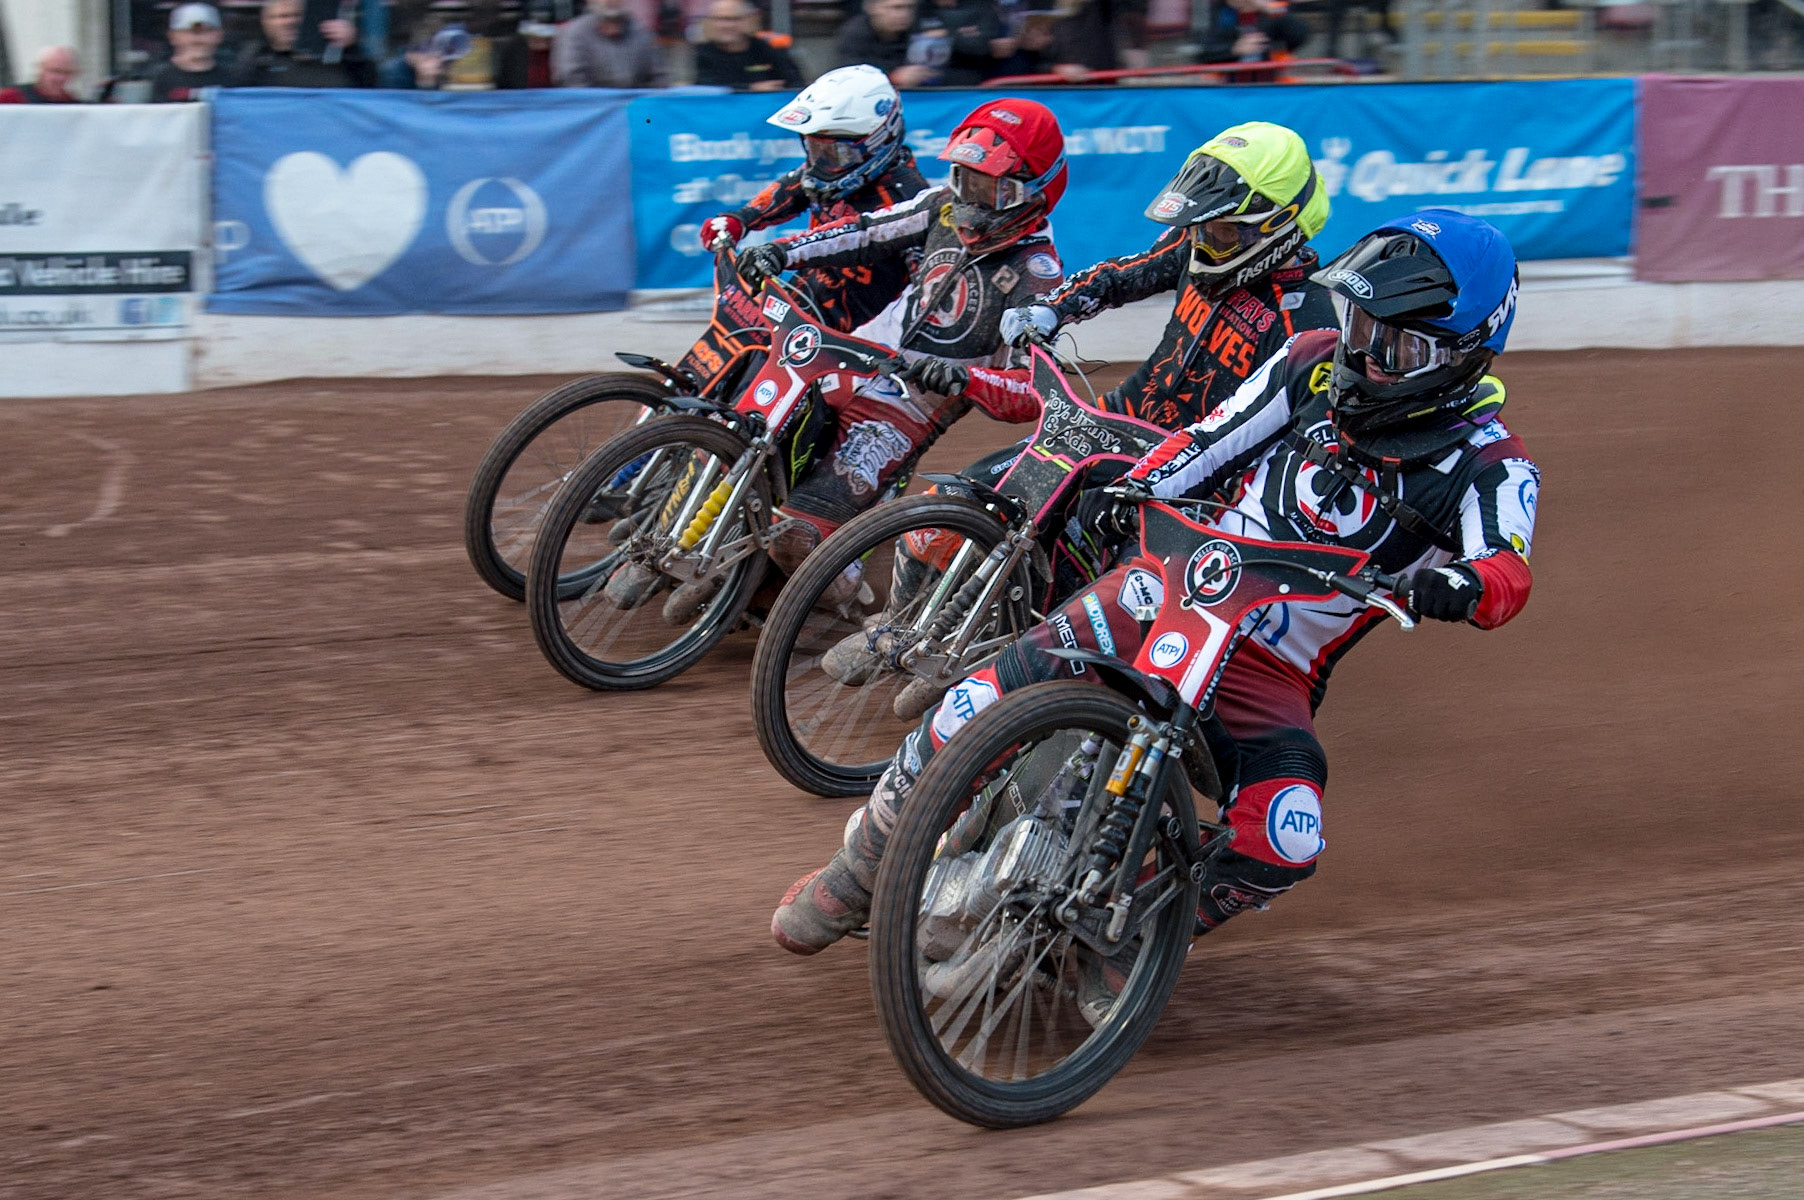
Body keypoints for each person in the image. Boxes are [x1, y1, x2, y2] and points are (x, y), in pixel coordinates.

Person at [773, 209, 1540, 965]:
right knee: (972, 701)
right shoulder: (1311, 357)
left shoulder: (1491, 464)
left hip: (1271, 672)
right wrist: (1135, 486)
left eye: (1394, 346)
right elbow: (1209, 442)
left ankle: (1136, 941)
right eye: (1360, 327)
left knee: (1286, 838)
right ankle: (862, 865)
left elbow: (1508, 570)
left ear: (1466, 353)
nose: (1364, 357)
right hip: (1168, 583)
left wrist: (1455, 586)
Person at [723, 98, 1072, 578]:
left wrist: (961, 379)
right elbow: (865, 231)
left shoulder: (1038, 278)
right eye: (965, 181)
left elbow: (1031, 391)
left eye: (990, 188)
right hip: (855, 352)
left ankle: (838, 596)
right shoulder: (940, 207)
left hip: (909, 404)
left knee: (797, 540)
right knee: (741, 416)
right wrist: (782, 252)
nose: (970, 200)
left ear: (1033, 192)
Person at [994, 122, 1339, 433]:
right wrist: (1052, 308)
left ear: (1277, 224)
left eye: (1221, 233)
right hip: (1117, 417)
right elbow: (1123, 276)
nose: (1201, 242)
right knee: (980, 489)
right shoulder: (1194, 242)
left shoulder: (1308, 323)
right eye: (1199, 228)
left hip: (1186, 475)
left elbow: (1290, 434)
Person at [696, 65, 927, 336]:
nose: (821, 162)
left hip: (852, 345)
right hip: (800, 310)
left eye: (835, 152)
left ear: (875, 141)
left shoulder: (906, 199)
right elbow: (795, 186)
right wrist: (741, 219)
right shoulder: (827, 174)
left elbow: (928, 289)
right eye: (815, 148)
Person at [229, 0, 377, 87]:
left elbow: (370, 88)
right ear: (265, 21)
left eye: (296, 15)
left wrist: (352, 47)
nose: (290, 22)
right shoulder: (256, 61)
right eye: (281, 16)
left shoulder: (336, 56)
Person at [692, 0, 804, 91]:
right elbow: (703, 89)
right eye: (718, 19)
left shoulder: (768, 50)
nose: (725, 26)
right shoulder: (701, 54)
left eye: (733, 19)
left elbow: (796, 85)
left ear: (748, 20)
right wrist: (750, 89)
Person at [552, 0, 669, 87]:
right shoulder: (574, 34)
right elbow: (572, 84)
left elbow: (659, 80)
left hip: (636, 113)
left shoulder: (642, 32)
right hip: (593, 114)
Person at [1197, 0, 1310, 79]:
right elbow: (1204, 54)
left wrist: (1271, 10)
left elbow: (1299, 35)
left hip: (1268, 88)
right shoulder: (1220, 12)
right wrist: (1234, 50)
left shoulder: (1269, 12)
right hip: (1229, 93)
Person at [835, 0, 929, 87]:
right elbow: (851, 79)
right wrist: (893, 78)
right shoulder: (854, 35)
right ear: (872, 9)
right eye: (896, 8)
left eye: (909, 8)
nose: (904, 14)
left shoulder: (919, 30)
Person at [150, 4, 229, 101]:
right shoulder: (155, 79)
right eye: (189, 32)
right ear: (172, 36)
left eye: (206, 31)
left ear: (219, 35)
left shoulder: (233, 80)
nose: (198, 39)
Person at [0, 46, 83, 103]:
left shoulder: (73, 105)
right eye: (55, 71)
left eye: (67, 72)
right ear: (40, 70)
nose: (61, 78)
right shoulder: (10, 98)